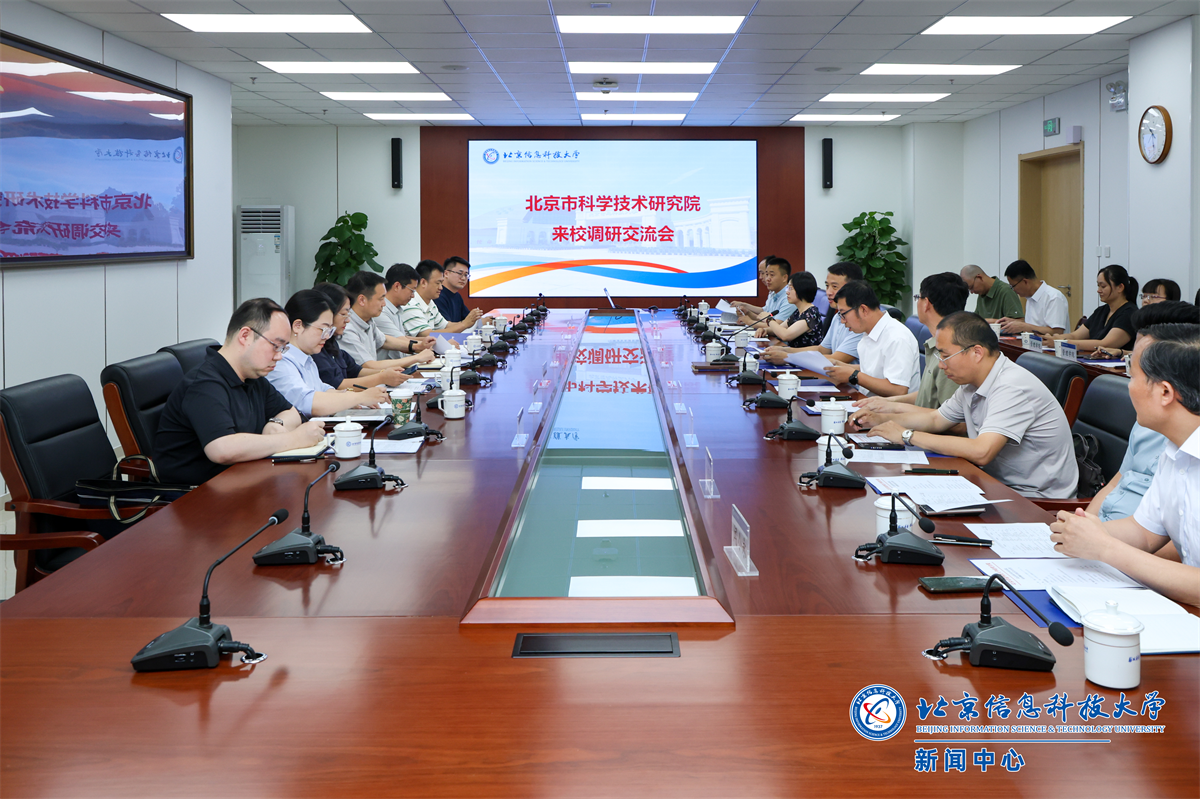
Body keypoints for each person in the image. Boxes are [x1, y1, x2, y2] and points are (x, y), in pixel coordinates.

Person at [851, 311, 1078, 499]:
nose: (941, 365)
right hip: (995, 483)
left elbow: (982, 451)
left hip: (1034, 498)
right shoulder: (973, 383)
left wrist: (906, 435)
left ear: (976, 352)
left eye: (945, 356)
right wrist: (881, 420)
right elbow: (936, 419)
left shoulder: (1011, 386)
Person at [1050, 323, 1200, 606]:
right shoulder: (1174, 450)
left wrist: (1105, 547)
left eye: (1133, 376)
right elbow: (1145, 532)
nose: (1128, 386)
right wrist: (1083, 530)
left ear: (1165, 392)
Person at [154, 298, 328, 486]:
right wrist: (293, 439)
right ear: (245, 336)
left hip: (243, 479)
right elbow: (222, 449)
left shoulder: (253, 376)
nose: (279, 356)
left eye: (283, 348)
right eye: (275, 346)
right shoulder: (204, 384)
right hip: (196, 494)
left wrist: (275, 424)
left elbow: (291, 412)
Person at [1084, 302, 1200, 519]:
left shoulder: (1184, 448)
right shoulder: (1152, 427)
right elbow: (1117, 483)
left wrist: (1096, 535)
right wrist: (1085, 524)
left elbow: (1166, 536)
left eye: (1134, 372)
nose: (1129, 384)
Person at [852, 271, 969, 413]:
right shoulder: (934, 344)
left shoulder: (951, 353)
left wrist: (893, 409)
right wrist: (886, 402)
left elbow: (951, 418)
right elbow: (927, 395)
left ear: (926, 304)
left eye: (918, 297)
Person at [268, 290, 392, 417]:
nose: (327, 337)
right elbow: (308, 402)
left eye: (330, 330)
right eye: (323, 329)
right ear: (298, 326)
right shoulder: (281, 361)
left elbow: (323, 389)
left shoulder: (307, 359)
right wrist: (358, 398)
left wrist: (351, 398)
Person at [312, 282, 433, 389]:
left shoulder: (332, 342)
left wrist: (385, 373)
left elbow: (356, 370)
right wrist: (382, 377)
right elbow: (338, 385)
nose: (347, 319)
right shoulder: (318, 348)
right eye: (344, 314)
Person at [822, 280, 920, 397]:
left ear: (863, 310)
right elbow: (875, 371)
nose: (842, 321)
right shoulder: (868, 333)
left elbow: (898, 390)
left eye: (843, 314)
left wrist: (853, 375)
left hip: (891, 407)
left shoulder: (897, 337)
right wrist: (842, 366)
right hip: (868, 402)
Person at [761, 262, 862, 366]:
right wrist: (785, 350)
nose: (828, 292)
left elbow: (837, 359)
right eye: (827, 286)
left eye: (835, 287)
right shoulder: (837, 317)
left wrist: (789, 357)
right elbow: (822, 350)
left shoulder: (860, 323)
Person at [340, 270, 430, 366]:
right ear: (362, 300)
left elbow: (384, 340)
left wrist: (417, 346)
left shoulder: (368, 320)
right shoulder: (347, 328)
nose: (384, 304)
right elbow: (369, 365)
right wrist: (416, 358)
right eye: (381, 299)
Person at [1048, 264, 1138, 353]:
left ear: (1120, 287)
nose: (1098, 290)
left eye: (1103, 286)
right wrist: (1055, 338)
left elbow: (1106, 344)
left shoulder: (1129, 313)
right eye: (1098, 286)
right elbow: (1075, 336)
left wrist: (1063, 342)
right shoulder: (1101, 311)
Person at [401, 260, 482, 336]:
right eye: (438, 283)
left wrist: (470, 322)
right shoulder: (411, 304)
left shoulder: (430, 302)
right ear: (423, 282)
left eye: (441, 283)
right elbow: (427, 335)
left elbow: (446, 325)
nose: (441, 287)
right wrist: (464, 324)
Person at [999, 259, 1070, 335]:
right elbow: (1035, 325)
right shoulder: (1030, 297)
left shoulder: (1054, 297)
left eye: (1013, 286)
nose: (1013, 290)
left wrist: (1024, 326)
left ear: (1025, 282)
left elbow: (1057, 332)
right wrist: (1015, 322)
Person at [732, 256, 796, 330]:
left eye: (772, 275)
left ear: (784, 278)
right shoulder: (774, 292)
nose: (767, 279)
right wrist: (748, 312)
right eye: (767, 274)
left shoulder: (789, 297)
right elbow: (763, 319)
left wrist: (749, 322)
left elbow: (777, 326)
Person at [765, 271, 823, 348]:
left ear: (801, 290)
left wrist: (770, 320)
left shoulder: (811, 314)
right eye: (787, 288)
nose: (787, 292)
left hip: (804, 355)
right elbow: (780, 328)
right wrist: (765, 330)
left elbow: (785, 335)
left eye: (790, 288)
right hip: (793, 353)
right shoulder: (798, 312)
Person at [436, 256, 486, 325]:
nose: (463, 278)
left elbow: (468, 319)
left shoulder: (457, 296)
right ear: (446, 274)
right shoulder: (437, 295)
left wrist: (482, 320)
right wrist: (479, 323)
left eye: (466, 275)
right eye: (460, 273)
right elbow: (446, 326)